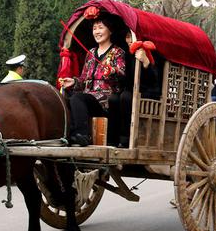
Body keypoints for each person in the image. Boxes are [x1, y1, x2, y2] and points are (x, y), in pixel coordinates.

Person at [61, 15, 126, 147]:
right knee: (67, 99)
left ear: (110, 31)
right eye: (94, 28)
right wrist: (74, 82)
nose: (97, 31)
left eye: (101, 28)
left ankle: (83, 135)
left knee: (78, 98)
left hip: (105, 100)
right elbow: (84, 78)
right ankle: (67, 135)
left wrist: (112, 70)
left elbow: (122, 73)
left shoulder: (117, 52)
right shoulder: (90, 53)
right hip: (88, 96)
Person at [107, 32, 160, 147]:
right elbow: (126, 79)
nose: (129, 40)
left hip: (148, 92)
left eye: (131, 36)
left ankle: (125, 139)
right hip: (130, 90)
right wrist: (114, 72)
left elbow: (155, 80)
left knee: (125, 97)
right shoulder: (127, 54)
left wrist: (146, 62)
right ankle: (112, 140)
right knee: (113, 99)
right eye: (127, 36)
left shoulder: (152, 52)